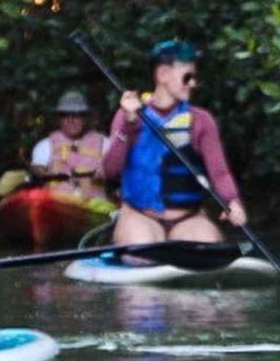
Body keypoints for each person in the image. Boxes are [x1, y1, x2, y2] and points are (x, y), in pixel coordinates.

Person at [101, 39, 247, 248]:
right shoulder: (128, 115)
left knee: (204, 250)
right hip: (140, 215)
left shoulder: (201, 120)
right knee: (143, 253)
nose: (193, 83)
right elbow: (109, 171)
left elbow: (220, 173)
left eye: (194, 77)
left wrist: (233, 202)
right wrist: (128, 125)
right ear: (163, 75)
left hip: (188, 218)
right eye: (187, 77)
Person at [27, 90, 109, 202]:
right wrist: (46, 174)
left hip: (96, 208)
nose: (71, 120)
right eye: (65, 115)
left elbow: (117, 169)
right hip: (58, 207)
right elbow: (37, 168)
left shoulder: (105, 143)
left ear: (85, 118)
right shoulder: (45, 145)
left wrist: (106, 173)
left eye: (77, 115)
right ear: (58, 119)